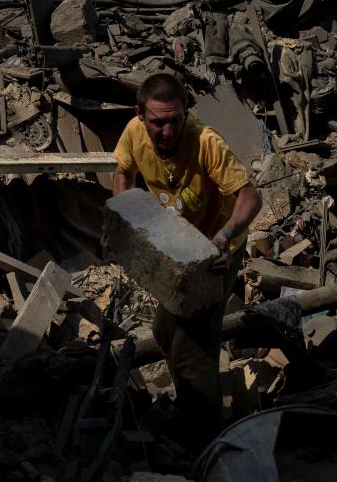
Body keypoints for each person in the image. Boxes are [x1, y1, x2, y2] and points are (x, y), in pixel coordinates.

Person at [111, 72, 262, 448]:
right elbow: (122, 173)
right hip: (178, 248)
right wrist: (127, 220)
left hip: (215, 252)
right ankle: (193, 407)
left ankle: (206, 438)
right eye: (157, 122)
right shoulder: (133, 133)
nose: (166, 131)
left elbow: (250, 196)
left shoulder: (205, 142)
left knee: (192, 346)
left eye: (174, 121)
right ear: (140, 114)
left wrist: (225, 238)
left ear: (186, 114)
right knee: (164, 331)